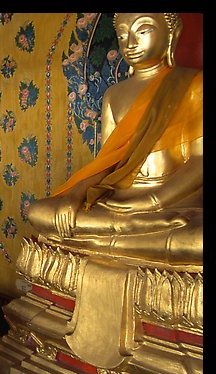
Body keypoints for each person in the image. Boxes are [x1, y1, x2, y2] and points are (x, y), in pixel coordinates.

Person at [27, 13, 202, 265]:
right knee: (40, 213)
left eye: (142, 31)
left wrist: (152, 201)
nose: (129, 42)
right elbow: (107, 162)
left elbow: (200, 161)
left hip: (174, 200)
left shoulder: (194, 84)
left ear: (171, 34)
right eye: (122, 34)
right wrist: (75, 195)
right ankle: (131, 236)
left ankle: (102, 241)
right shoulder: (114, 95)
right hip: (119, 198)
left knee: (198, 240)